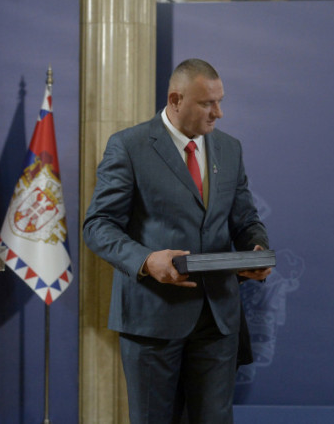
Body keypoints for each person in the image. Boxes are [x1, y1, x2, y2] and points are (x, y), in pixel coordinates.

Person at [83, 58, 272, 423]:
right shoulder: (129, 146)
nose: (218, 113)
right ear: (175, 99)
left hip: (218, 319)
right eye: (207, 103)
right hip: (152, 319)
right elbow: (98, 225)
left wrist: (256, 250)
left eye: (219, 101)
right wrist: (146, 260)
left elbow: (246, 220)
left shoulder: (229, 149)